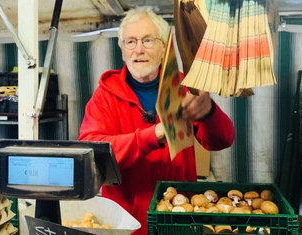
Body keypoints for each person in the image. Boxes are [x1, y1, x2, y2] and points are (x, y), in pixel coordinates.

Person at [78, 8, 235, 235]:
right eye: (130, 42)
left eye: (148, 40)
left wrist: (209, 112)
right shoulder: (105, 96)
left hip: (177, 215)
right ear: (122, 50)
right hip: (126, 223)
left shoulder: (184, 88)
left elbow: (223, 139)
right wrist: (154, 135)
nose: (138, 50)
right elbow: (93, 151)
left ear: (164, 47)